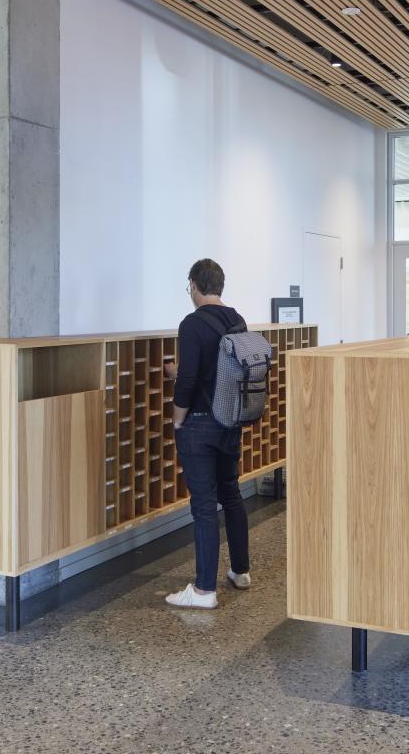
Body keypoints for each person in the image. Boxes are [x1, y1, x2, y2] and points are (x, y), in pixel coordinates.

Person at [161, 258, 252, 609]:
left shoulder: (192, 324)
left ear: (196, 286)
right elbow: (220, 368)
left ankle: (203, 590)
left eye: (190, 288)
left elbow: (189, 381)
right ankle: (240, 571)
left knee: (202, 506)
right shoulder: (237, 320)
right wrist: (180, 371)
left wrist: (178, 419)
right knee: (230, 493)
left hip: (200, 421)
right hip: (230, 419)